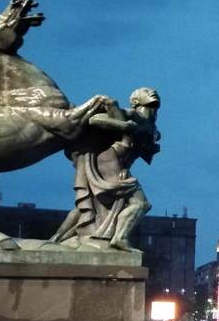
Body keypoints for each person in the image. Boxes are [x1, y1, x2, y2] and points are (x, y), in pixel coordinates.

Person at [50, 88, 160, 251]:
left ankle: (55, 239)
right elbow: (95, 120)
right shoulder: (131, 115)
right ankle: (120, 238)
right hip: (110, 159)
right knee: (141, 203)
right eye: (148, 106)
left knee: (91, 207)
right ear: (137, 105)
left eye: (154, 107)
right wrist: (124, 126)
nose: (151, 111)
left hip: (118, 163)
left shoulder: (151, 127)